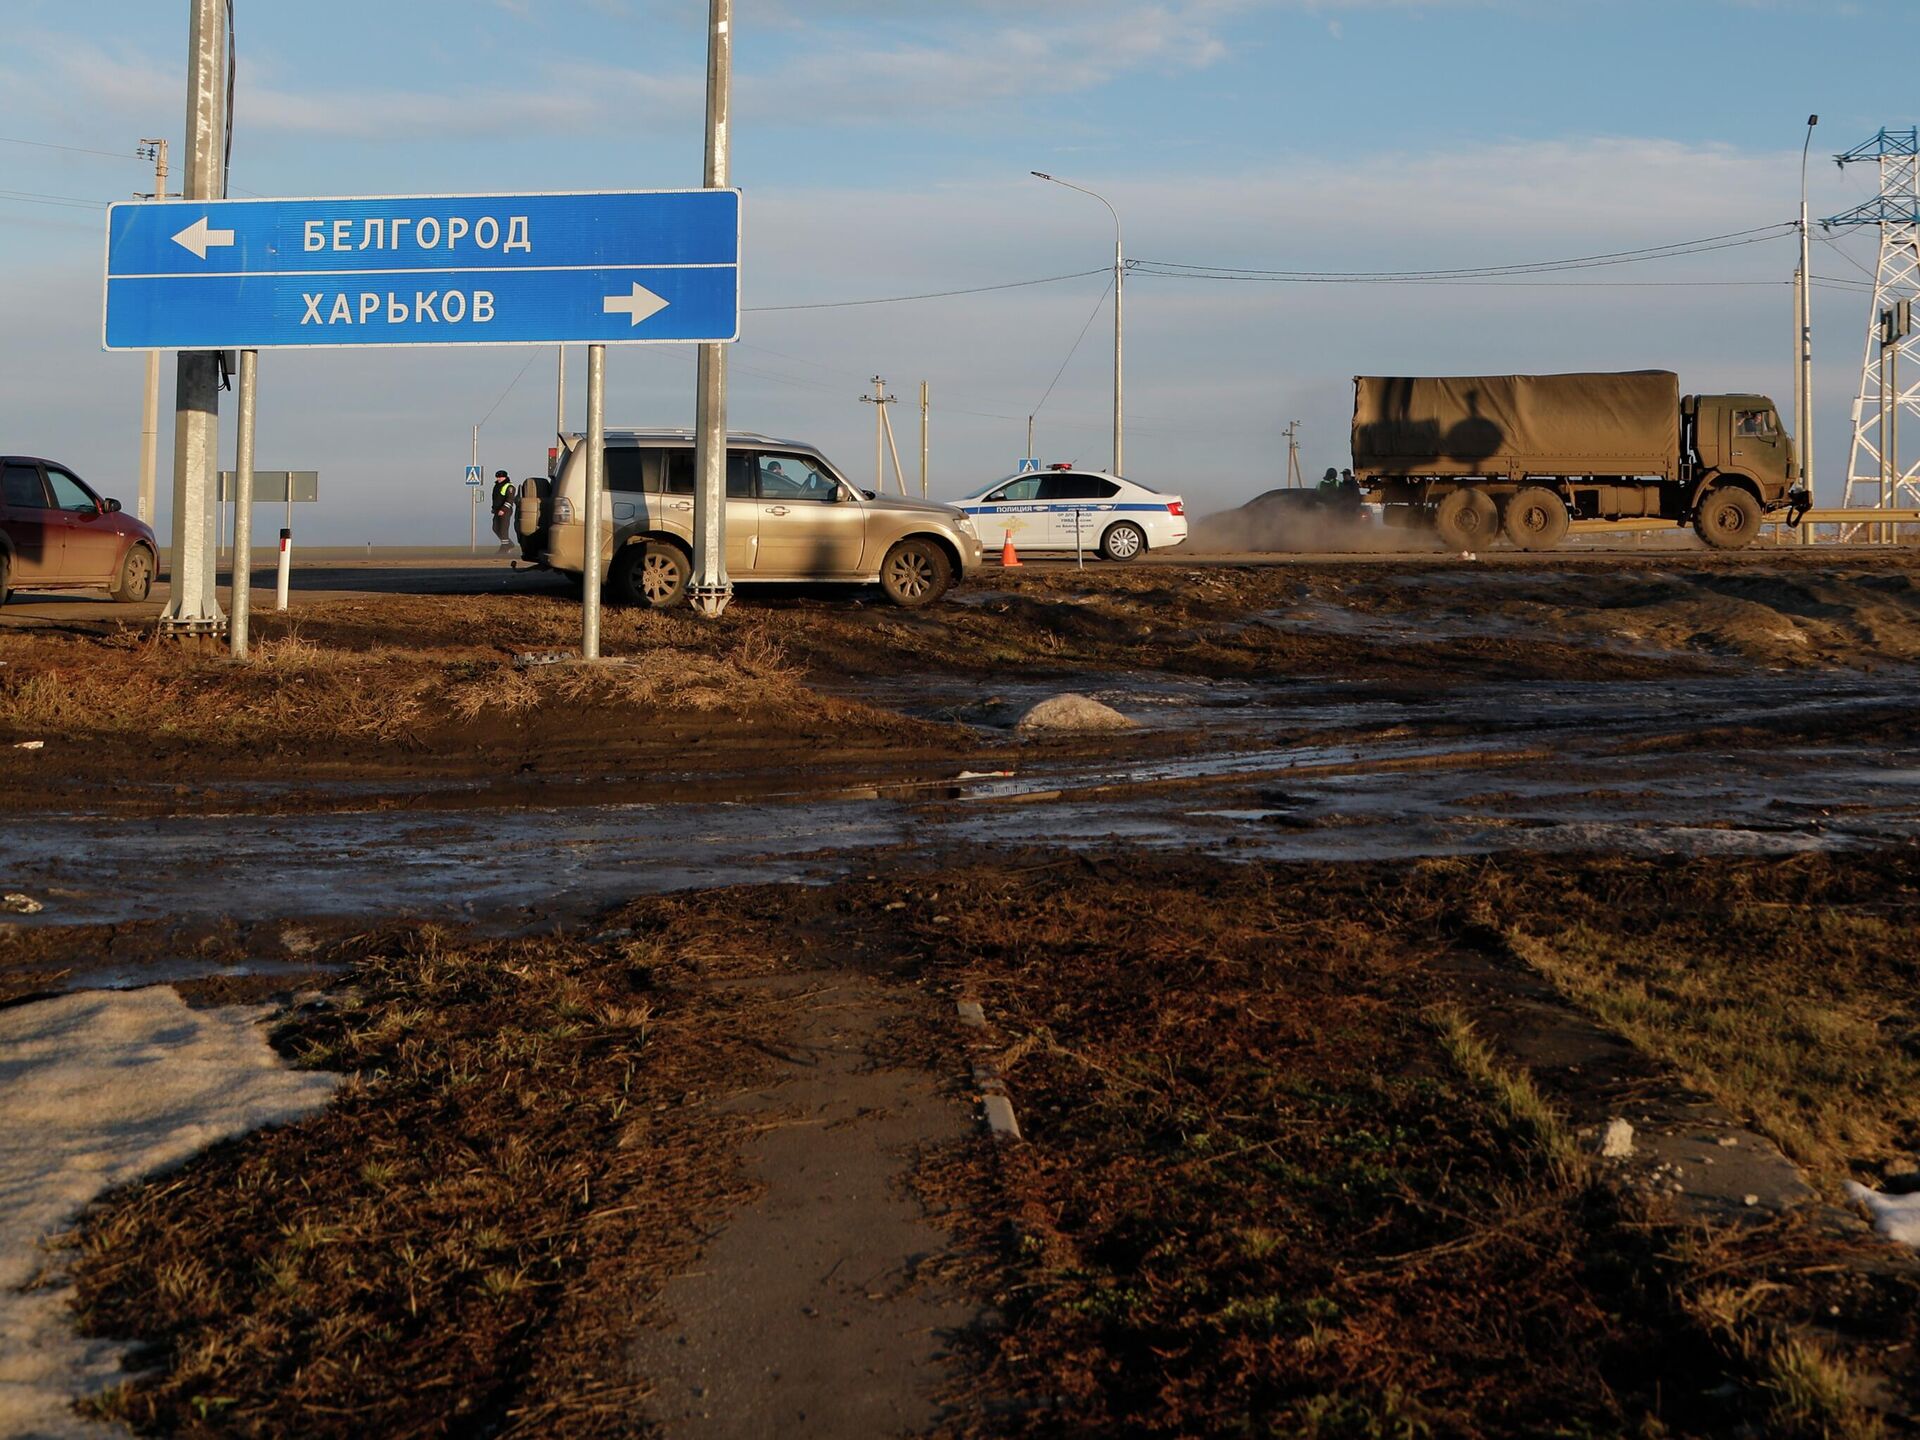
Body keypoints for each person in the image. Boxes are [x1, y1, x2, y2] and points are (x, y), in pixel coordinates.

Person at [490, 470, 516, 552]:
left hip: (505, 511)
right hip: (497, 510)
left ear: (505, 477)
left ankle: (505, 547)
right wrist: (494, 509)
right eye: (497, 477)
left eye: (500, 477)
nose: (498, 479)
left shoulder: (509, 487)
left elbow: (510, 500)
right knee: (495, 528)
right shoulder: (497, 485)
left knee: (503, 528)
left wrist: (503, 509)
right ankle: (509, 544)